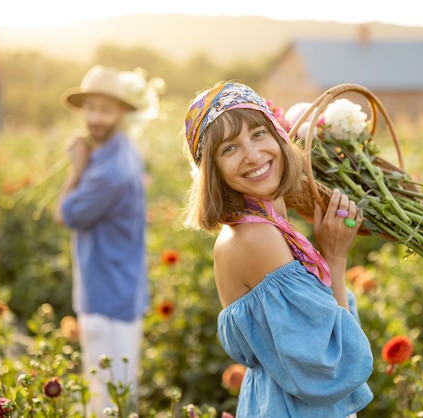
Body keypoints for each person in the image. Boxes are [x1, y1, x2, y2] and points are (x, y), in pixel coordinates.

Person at [183, 82, 374, 417]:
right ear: (212, 170)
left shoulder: (271, 222)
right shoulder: (256, 238)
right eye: (229, 149)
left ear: (279, 136)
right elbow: (333, 363)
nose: (253, 155)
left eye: (258, 134)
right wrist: (335, 257)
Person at [55, 65, 148, 416]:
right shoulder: (120, 149)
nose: (95, 118)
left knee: (108, 401)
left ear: (122, 112)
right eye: (90, 108)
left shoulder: (109, 170)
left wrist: (76, 167)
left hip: (108, 296)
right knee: (117, 392)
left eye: (105, 110)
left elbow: (63, 214)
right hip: (119, 284)